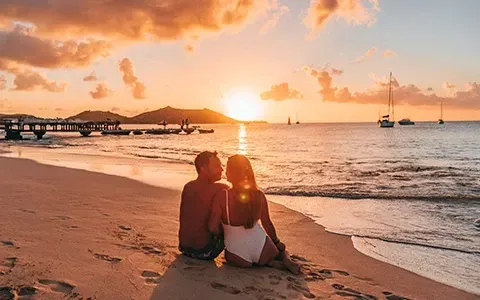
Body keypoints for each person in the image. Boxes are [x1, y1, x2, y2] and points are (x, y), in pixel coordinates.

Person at [208, 154, 301, 274]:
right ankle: (284, 260)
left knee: (234, 255)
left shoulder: (223, 196)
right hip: (263, 249)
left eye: (227, 169)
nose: (225, 172)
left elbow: (212, 227)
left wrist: (223, 233)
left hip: (237, 255)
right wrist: (277, 242)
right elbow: (267, 224)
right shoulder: (259, 196)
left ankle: (270, 263)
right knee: (282, 251)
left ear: (231, 173)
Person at [178, 151, 229, 260]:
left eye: (221, 166)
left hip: (184, 247)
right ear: (203, 169)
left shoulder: (188, 186)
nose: (221, 169)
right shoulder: (221, 189)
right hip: (204, 251)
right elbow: (214, 228)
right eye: (216, 166)